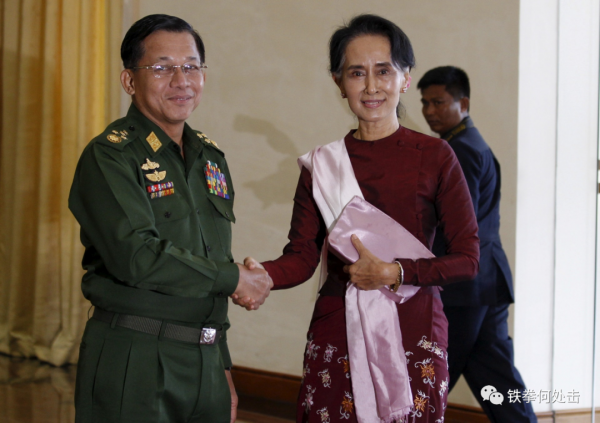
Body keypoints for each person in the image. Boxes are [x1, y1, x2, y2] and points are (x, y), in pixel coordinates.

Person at [239, 15, 479, 423]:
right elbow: (301, 256)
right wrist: (262, 275)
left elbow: (467, 260)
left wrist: (394, 272)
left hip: (413, 325)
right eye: (356, 73)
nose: (371, 86)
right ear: (338, 82)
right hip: (338, 326)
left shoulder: (436, 157)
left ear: (404, 78)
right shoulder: (322, 166)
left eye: (383, 71)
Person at [68, 14, 272, 423]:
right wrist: (234, 278)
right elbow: (137, 257)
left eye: (191, 67)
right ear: (129, 80)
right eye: (162, 68)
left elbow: (212, 259)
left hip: (206, 361)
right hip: (136, 356)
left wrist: (223, 366)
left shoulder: (210, 158)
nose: (182, 81)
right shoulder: (109, 156)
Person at [418, 66, 537, 422]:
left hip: (465, 286)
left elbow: (456, 223)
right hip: (486, 281)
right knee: (496, 375)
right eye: (424, 103)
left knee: (431, 373)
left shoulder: (461, 150)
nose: (429, 111)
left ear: (463, 103)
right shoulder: (467, 143)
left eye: (438, 102)